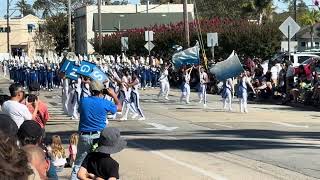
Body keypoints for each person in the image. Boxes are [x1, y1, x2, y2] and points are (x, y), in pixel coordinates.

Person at [71, 80, 122, 180]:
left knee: (78, 164)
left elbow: (79, 111)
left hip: (84, 136)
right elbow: (119, 108)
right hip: (99, 137)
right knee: (99, 163)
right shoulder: (104, 102)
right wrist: (113, 95)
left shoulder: (83, 101)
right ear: (102, 91)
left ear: (90, 90)